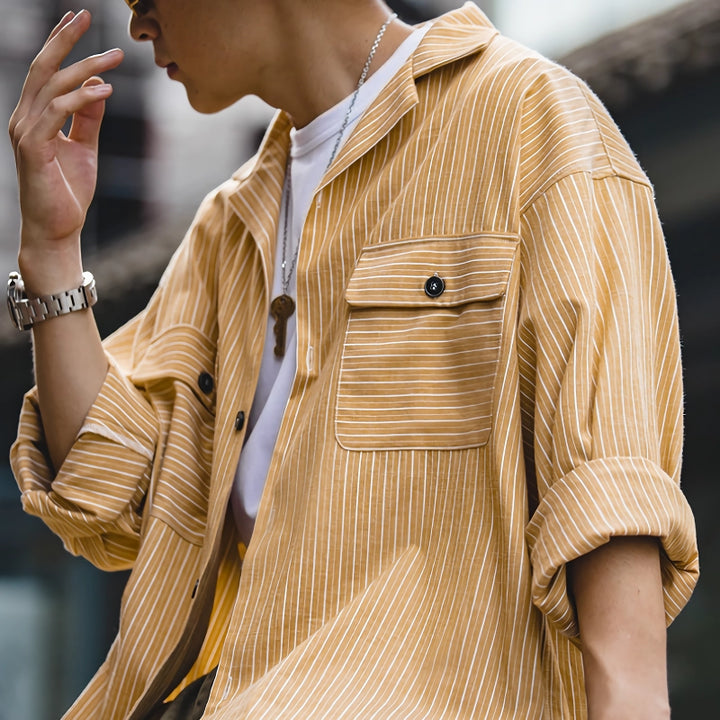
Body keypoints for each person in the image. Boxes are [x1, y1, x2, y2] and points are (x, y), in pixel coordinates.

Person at [7, 1, 699, 718]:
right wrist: (52, 253)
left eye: (147, 0)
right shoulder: (229, 227)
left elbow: (605, 481)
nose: (141, 25)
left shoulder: (526, 119)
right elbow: (111, 500)